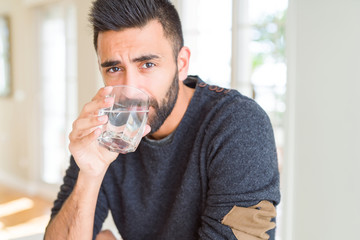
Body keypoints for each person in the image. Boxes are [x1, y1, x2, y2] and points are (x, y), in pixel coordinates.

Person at [45, 0, 281, 239]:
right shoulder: (106, 131)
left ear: (181, 64)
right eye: (114, 69)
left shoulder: (237, 124)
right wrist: (90, 174)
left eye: (148, 64)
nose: (130, 88)